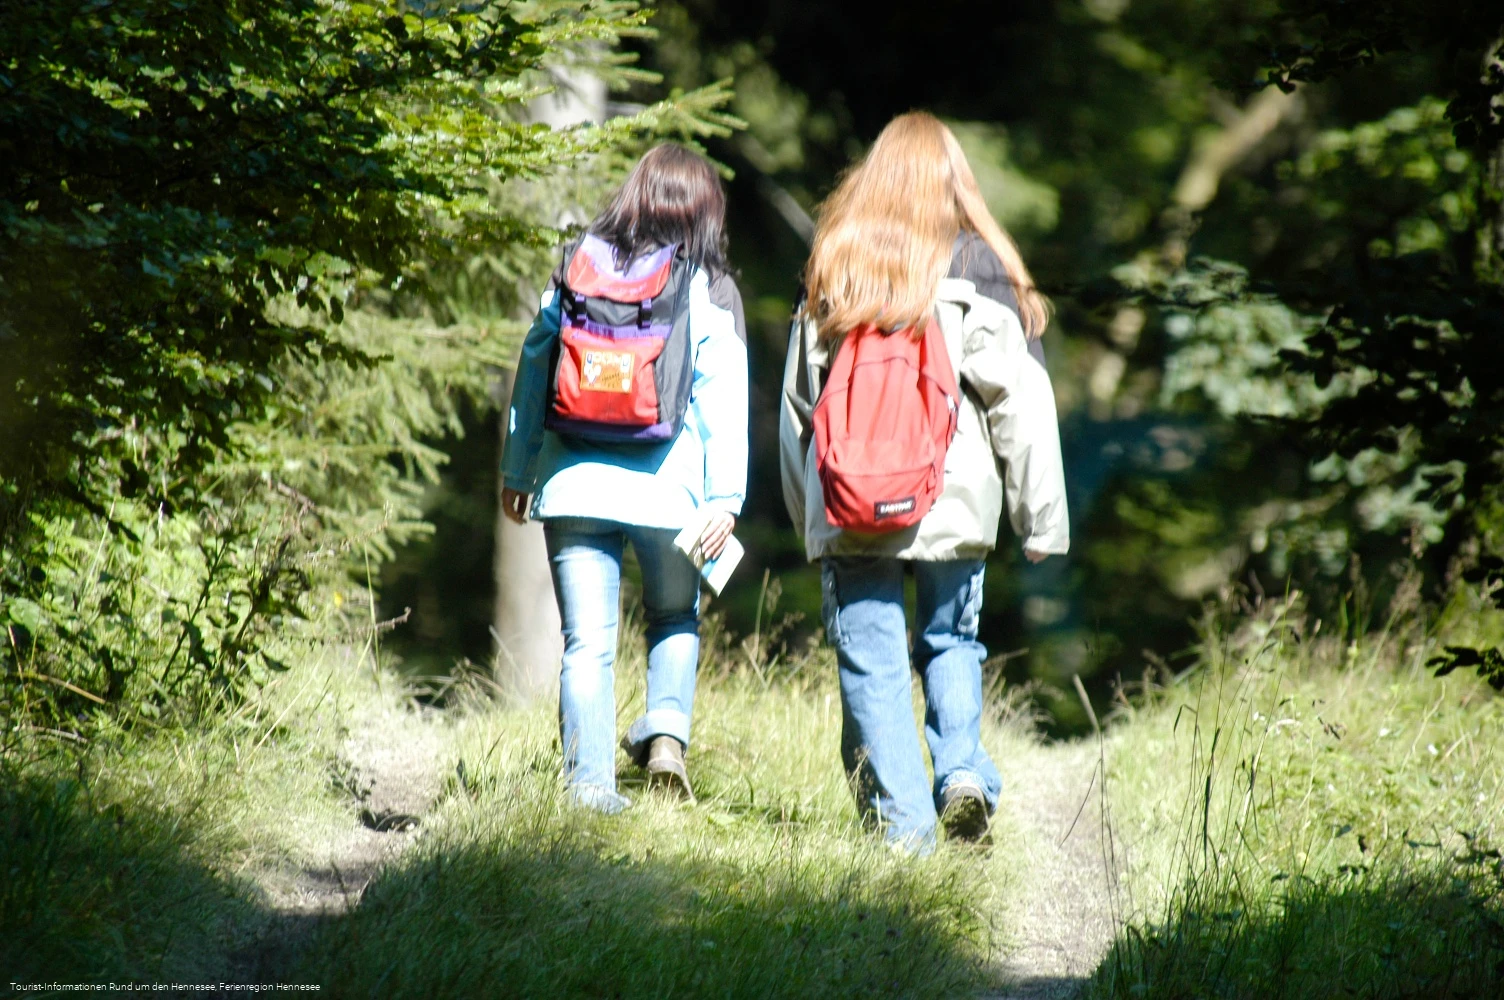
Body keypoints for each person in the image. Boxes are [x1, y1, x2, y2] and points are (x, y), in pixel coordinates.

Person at [779, 112, 1069, 851]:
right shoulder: (977, 266)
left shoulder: (837, 262)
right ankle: (962, 773)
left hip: (849, 501)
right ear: (954, 183)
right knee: (951, 642)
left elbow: (799, 404)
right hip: (951, 496)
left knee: (872, 659)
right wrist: (1041, 520)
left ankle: (907, 839)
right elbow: (1021, 401)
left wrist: (806, 517)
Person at [501, 144, 748, 814]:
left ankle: (588, 789)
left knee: (587, 644)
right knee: (673, 614)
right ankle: (666, 735)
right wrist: (726, 497)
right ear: (705, 210)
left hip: (572, 483)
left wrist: (518, 469)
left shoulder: (581, 265)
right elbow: (722, 385)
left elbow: (535, 359)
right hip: (672, 496)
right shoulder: (704, 282)